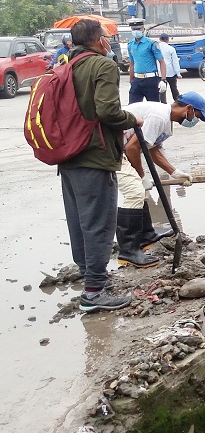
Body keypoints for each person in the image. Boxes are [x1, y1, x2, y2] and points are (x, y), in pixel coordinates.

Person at [59, 19, 140, 311]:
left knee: (79, 221)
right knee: (99, 225)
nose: (109, 40)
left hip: (67, 157)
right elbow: (108, 110)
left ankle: (89, 276)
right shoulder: (102, 66)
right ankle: (94, 293)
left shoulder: (66, 65)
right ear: (97, 40)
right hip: (94, 157)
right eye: (106, 36)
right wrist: (132, 119)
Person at [119, 93, 205, 267]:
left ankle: (146, 236)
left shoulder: (165, 119)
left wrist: (175, 172)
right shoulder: (159, 116)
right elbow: (132, 147)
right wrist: (142, 176)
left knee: (140, 192)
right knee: (135, 192)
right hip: (110, 149)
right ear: (188, 109)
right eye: (196, 116)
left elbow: (151, 148)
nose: (195, 121)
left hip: (121, 146)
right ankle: (127, 251)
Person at [126, 18, 167, 104]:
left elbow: (161, 61)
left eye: (138, 29)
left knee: (154, 107)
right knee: (132, 107)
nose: (136, 31)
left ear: (143, 29)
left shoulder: (151, 44)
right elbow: (132, 63)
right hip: (137, 80)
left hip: (151, 80)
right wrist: (131, 80)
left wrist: (163, 80)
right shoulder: (130, 45)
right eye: (134, 29)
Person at [158, 33, 181, 102]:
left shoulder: (156, 48)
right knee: (174, 88)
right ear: (167, 40)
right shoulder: (171, 49)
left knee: (162, 89)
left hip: (160, 73)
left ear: (160, 39)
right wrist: (178, 73)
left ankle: (163, 103)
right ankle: (178, 102)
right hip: (170, 72)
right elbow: (175, 62)